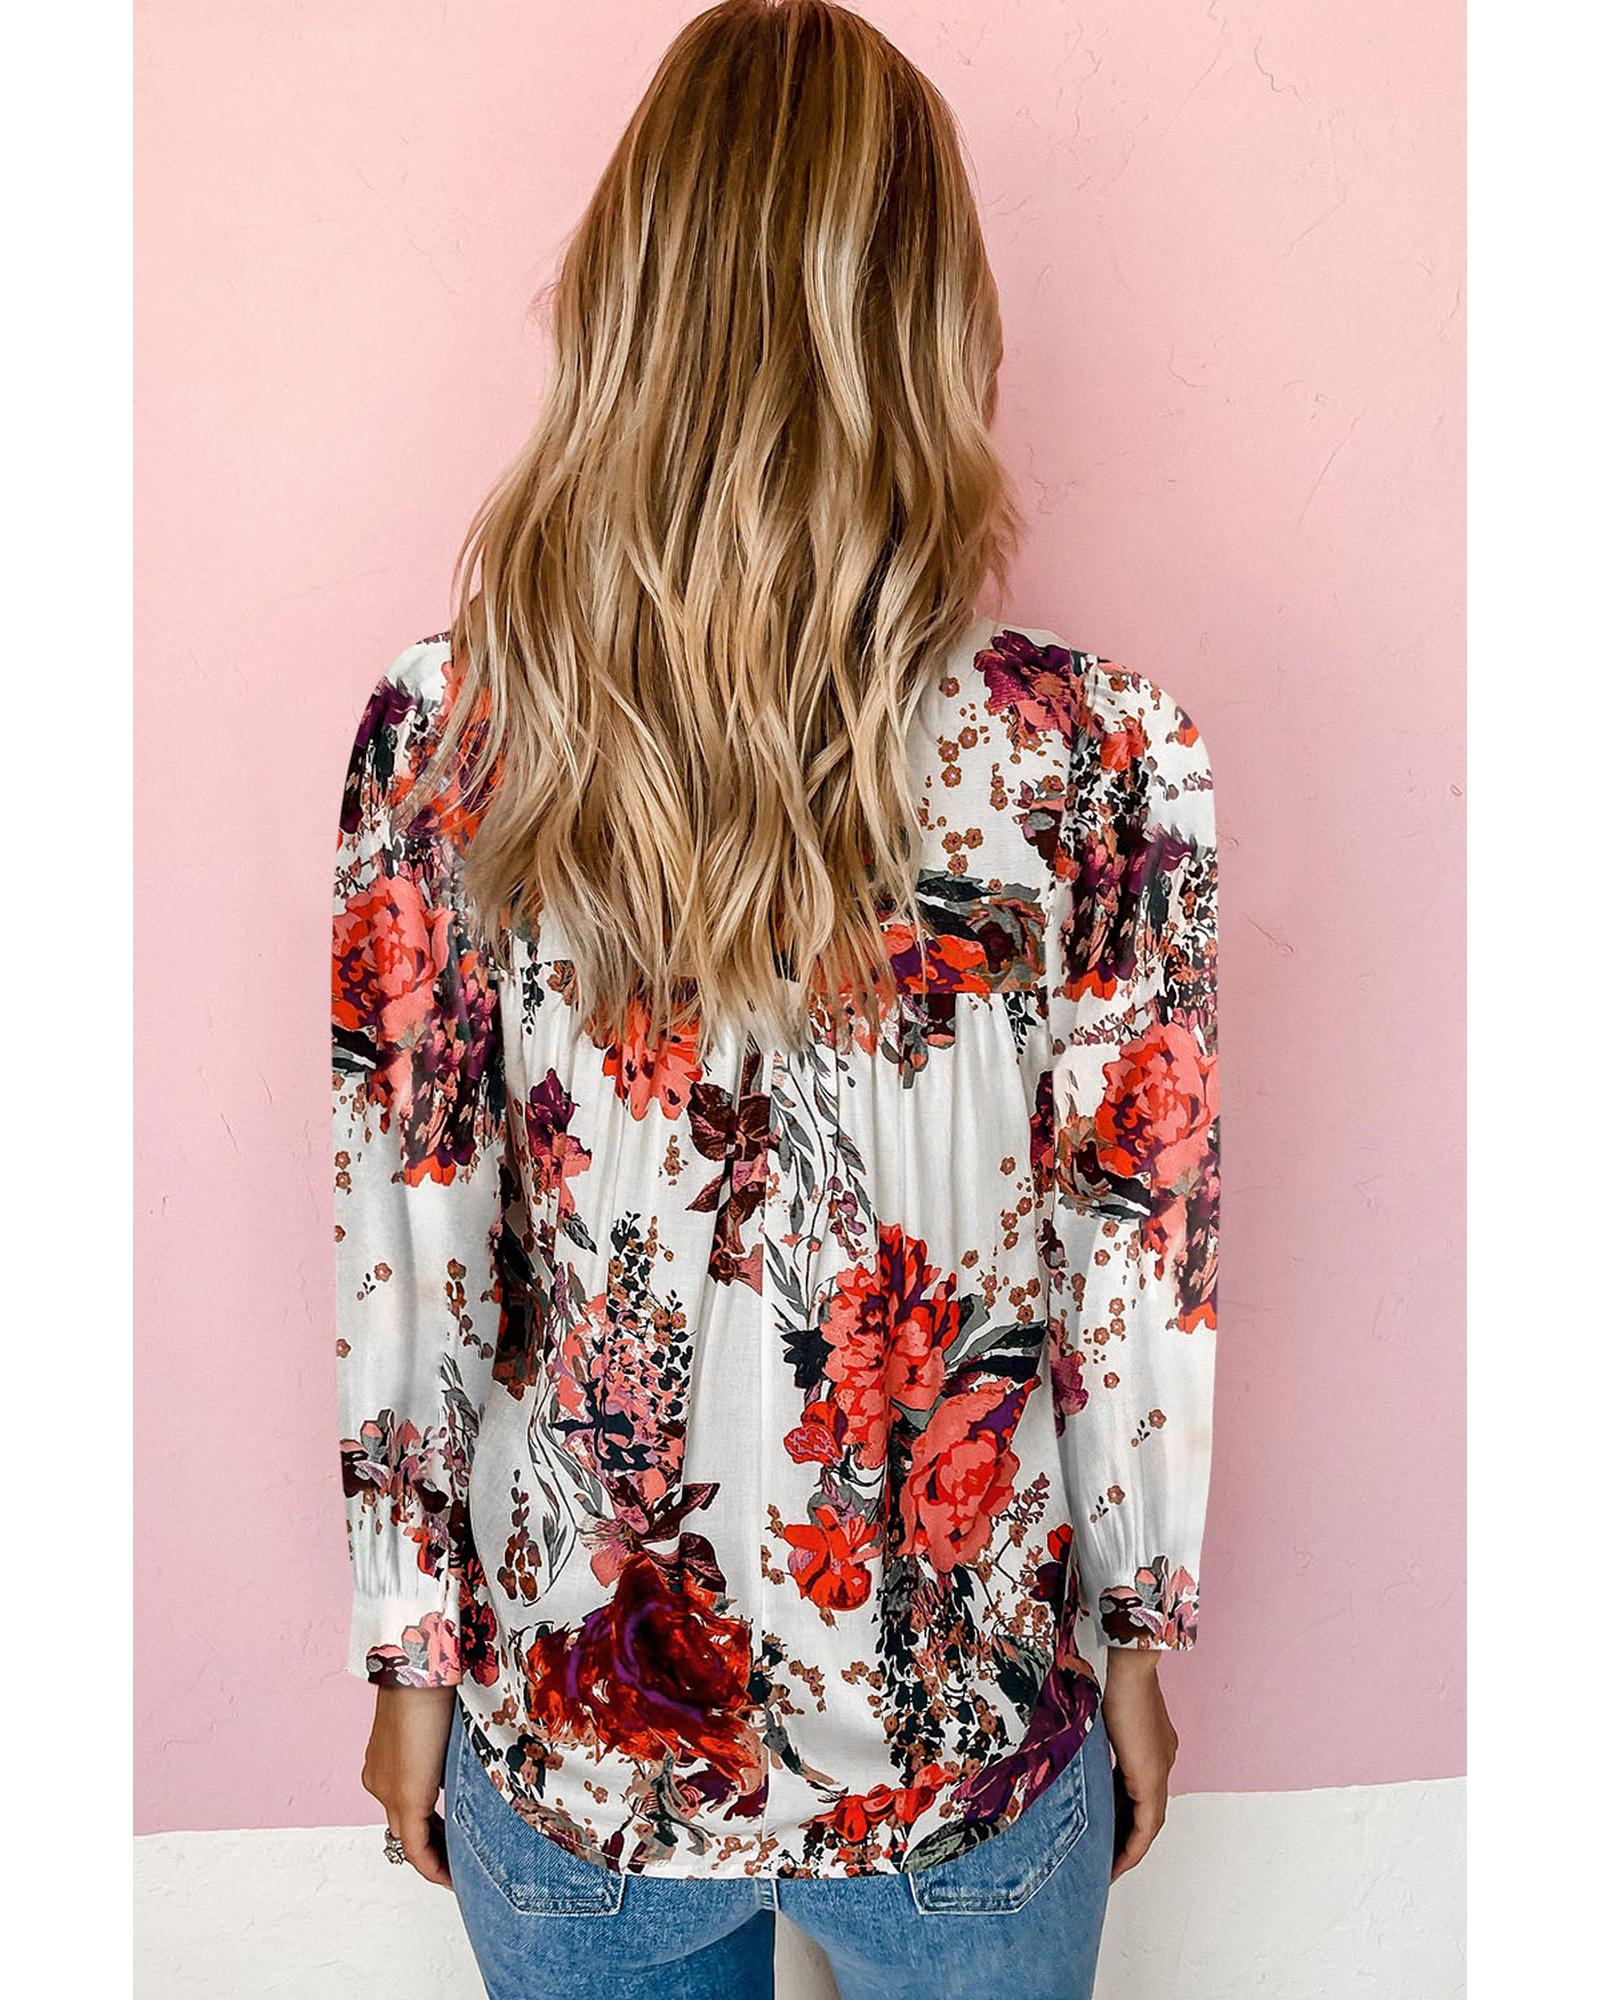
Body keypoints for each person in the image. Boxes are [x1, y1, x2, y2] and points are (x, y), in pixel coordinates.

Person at [330, 4, 1219, 1996]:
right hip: (956, 1743)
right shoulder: (1095, 761)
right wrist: (1136, 1641)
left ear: (628, 302)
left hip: (581, 1734)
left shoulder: (447, 737)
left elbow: (415, 1240)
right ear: (931, 317)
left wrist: (410, 1655)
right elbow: (1129, 1266)